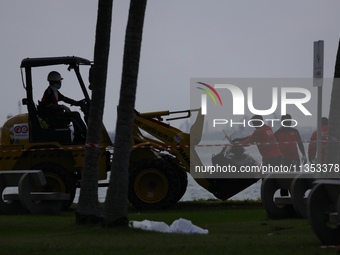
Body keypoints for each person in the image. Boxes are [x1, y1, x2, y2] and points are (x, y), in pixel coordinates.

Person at [41, 71, 87, 143]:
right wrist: (62, 107)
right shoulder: (49, 92)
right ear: (53, 82)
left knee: (75, 114)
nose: (60, 83)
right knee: (74, 115)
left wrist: (76, 103)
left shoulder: (55, 91)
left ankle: (79, 136)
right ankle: (81, 135)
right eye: (59, 82)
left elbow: (64, 99)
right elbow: (49, 106)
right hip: (52, 116)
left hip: (55, 114)